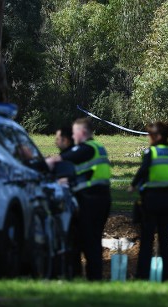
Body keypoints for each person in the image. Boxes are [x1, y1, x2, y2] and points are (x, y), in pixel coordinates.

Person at [46, 118, 112, 280]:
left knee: (89, 240)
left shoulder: (86, 148)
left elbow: (65, 158)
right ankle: (92, 277)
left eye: (74, 132)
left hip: (91, 199)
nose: (73, 136)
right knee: (93, 239)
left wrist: (49, 161)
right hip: (101, 198)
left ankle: (93, 278)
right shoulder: (98, 147)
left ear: (82, 133)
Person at [128, 121, 168, 281]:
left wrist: (133, 186)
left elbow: (143, 170)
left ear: (157, 136)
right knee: (165, 240)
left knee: (147, 239)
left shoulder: (151, 152)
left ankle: (142, 276)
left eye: (149, 135)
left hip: (151, 201)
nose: (148, 138)